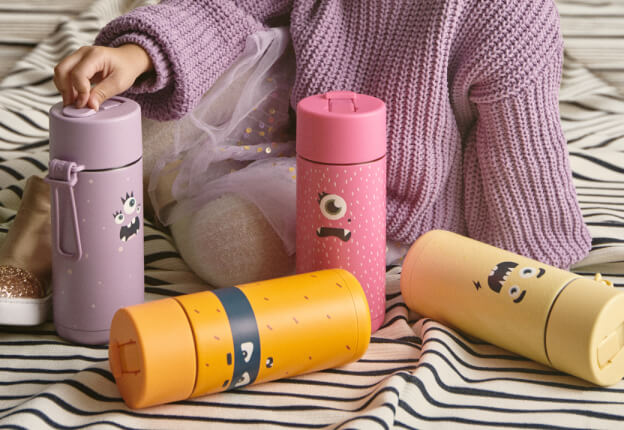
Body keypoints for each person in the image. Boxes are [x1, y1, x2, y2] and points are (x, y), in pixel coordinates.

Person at [53, 0, 592, 288]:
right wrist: (136, 55)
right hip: (285, 108)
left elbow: (521, 151)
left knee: (233, 244)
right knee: (129, 110)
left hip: (380, 188)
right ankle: (57, 206)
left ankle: (143, 194)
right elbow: (225, 7)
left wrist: (542, 280)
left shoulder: (509, 12)